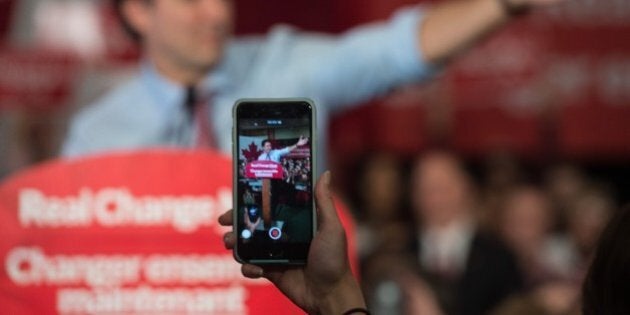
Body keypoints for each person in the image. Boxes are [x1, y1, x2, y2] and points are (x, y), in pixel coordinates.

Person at [61, 0, 565, 174]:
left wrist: (502, 5)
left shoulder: (283, 65)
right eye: (192, 0)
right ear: (137, 11)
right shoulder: (95, 137)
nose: (216, 13)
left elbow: (396, 51)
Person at [220, 171, 369, 314]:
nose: (264, 193)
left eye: (268, 190)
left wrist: (334, 290)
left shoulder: (299, 218)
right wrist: (334, 292)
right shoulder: (258, 213)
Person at [409, 150, 523, 315]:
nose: (434, 198)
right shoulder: (398, 254)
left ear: (464, 189)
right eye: (425, 189)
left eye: (442, 188)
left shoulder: (499, 256)